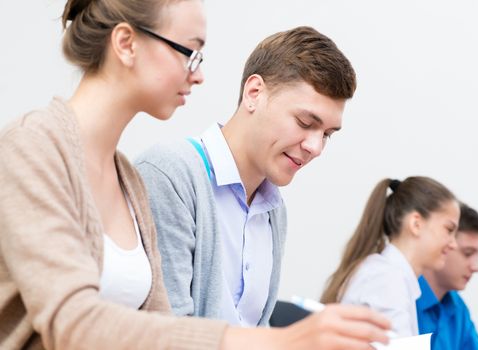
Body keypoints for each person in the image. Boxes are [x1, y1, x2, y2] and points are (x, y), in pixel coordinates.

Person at [0, 0, 391, 349]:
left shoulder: (127, 182)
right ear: (125, 43)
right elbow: (74, 324)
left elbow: (156, 324)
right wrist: (281, 341)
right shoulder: (31, 145)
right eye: (190, 53)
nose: (199, 75)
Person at [135, 26, 355, 327]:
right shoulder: (170, 175)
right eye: (305, 122)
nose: (315, 147)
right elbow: (166, 334)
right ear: (254, 93)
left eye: (327, 134)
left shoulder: (273, 211)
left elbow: (256, 331)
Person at [321, 177, 461, 337]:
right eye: (449, 230)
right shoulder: (386, 279)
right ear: (416, 224)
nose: (453, 244)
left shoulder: (389, 276)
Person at [417, 203, 478, 350]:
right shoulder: (402, 298)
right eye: (468, 253)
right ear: (442, 244)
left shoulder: (457, 306)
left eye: (477, 254)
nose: (476, 267)